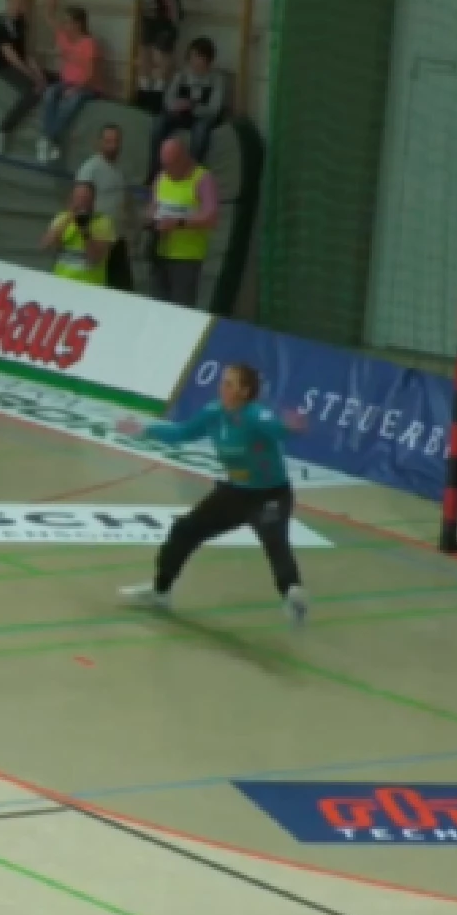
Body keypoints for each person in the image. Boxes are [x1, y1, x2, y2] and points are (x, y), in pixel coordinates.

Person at [113, 363, 311, 626]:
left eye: (229, 384)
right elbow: (182, 432)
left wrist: (291, 427)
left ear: (244, 391)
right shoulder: (214, 412)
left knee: (274, 540)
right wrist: (145, 429)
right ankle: (160, 591)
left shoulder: (255, 416)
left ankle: (292, 594)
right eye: (222, 382)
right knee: (184, 530)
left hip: (270, 496)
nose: (222, 387)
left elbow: (276, 428)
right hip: (235, 493)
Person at [146, 134, 218, 309]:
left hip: (187, 257)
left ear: (184, 159)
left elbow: (211, 217)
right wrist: (151, 220)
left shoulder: (202, 179)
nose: (168, 169)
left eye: (172, 164)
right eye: (165, 164)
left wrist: (179, 223)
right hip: (160, 251)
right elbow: (153, 207)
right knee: (157, 306)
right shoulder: (161, 177)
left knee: (180, 307)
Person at [148, 38, 225, 179]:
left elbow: (215, 109)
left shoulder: (216, 79)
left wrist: (194, 107)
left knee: (201, 132)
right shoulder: (182, 74)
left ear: (207, 60)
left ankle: (191, 176)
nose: (194, 61)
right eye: (192, 57)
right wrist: (176, 106)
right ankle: (155, 173)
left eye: (198, 57)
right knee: (159, 123)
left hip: (201, 117)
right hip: (180, 114)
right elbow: (168, 99)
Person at [0, 0, 48, 155]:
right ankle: (2, 127)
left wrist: (39, 74)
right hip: (2, 66)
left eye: (22, 0)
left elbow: (26, 53)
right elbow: (10, 56)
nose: (19, 3)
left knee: (47, 82)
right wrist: (32, 77)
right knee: (32, 91)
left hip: (18, 62)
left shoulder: (21, 22)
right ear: (8, 0)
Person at [35, 5, 99, 165]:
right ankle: (51, 140)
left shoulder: (88, 43)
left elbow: (90, 73)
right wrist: (50, 5)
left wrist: (76, 89)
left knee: (70, 102)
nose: (65, 25)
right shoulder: (64, 37)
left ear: (78, 24)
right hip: (65, 82)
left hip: (86, 86)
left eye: (68, 22)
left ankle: (48, 138)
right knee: (50, 93)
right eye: (64, 22)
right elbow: (50, 20)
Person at [74, 124, 132, 290]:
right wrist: (86, 233)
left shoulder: (119, 170)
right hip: (99, 237)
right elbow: (80, 201)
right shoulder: (90, 169)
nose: (113, 146)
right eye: (108, 141)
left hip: (117, 237)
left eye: (116, 141)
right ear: (99, 142)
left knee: (123, 289)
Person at [40, 181, 115, 286]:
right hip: (61, 281)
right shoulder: (62, 218)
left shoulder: (103, 222)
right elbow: (45, 246)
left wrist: (84, 230)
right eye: (78, 198)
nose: (82, 202)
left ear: (93, 201)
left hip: (89, 285)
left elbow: (95, 259)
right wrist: (68, 219)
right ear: (71, 199)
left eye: (86, 198)